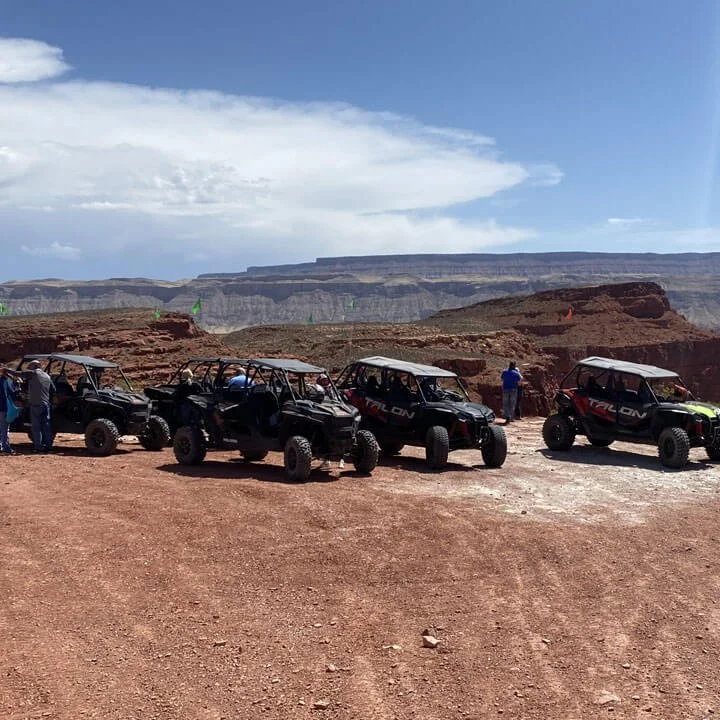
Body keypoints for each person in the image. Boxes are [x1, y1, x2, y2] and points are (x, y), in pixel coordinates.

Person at [23, 360, 55, 453]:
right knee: (46, 426)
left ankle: (38, 447)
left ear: (35, 366)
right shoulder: (47, 376)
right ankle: (48, 447)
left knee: (36, 427)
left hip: (36, 405)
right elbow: (53, 389)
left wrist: (7, 370)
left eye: (31, 367)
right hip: (46, 404)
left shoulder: (34, 374)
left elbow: (20, 374)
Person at [0, 366, 19, 455]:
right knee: (4, 429)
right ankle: (6, 448)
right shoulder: (4, 382)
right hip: (3, 408)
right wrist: (17, 384)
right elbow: (13, 392)